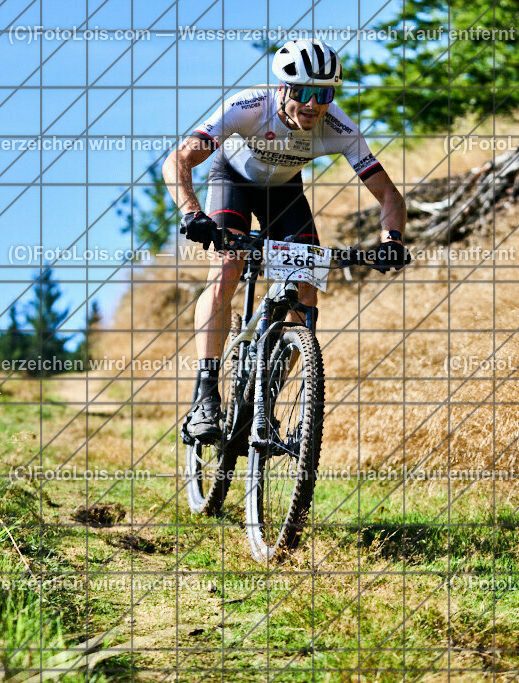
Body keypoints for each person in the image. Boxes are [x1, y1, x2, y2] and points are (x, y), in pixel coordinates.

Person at [162, 37, 410, 444]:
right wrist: (192, 212)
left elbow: (389, 196)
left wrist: (392, 239)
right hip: (232, 181)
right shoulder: (248, 106)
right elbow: (179, 159)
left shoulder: (340, 128)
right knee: (227, 267)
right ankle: (206, 394)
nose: (312, 104)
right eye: (302, 92)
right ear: (283, 88)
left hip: (284, 192)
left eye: (324, 94)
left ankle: (263, 401)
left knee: (306, 289)